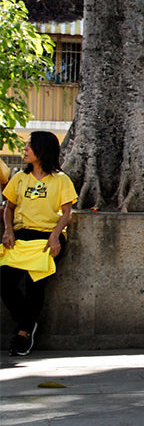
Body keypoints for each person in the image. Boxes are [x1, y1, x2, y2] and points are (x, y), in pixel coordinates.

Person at [1, 131, 77, 356]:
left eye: (29, 146)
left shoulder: (61, 179)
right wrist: (8, 231)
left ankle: (23, 334)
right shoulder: (19, 178)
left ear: (41, 150)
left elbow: (66, 213)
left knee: (35, 285)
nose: (24, 150)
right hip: (21, 236)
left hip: (47, 238)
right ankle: (27, 321)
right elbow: (9, 208)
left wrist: (55, 236)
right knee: (5, 282)